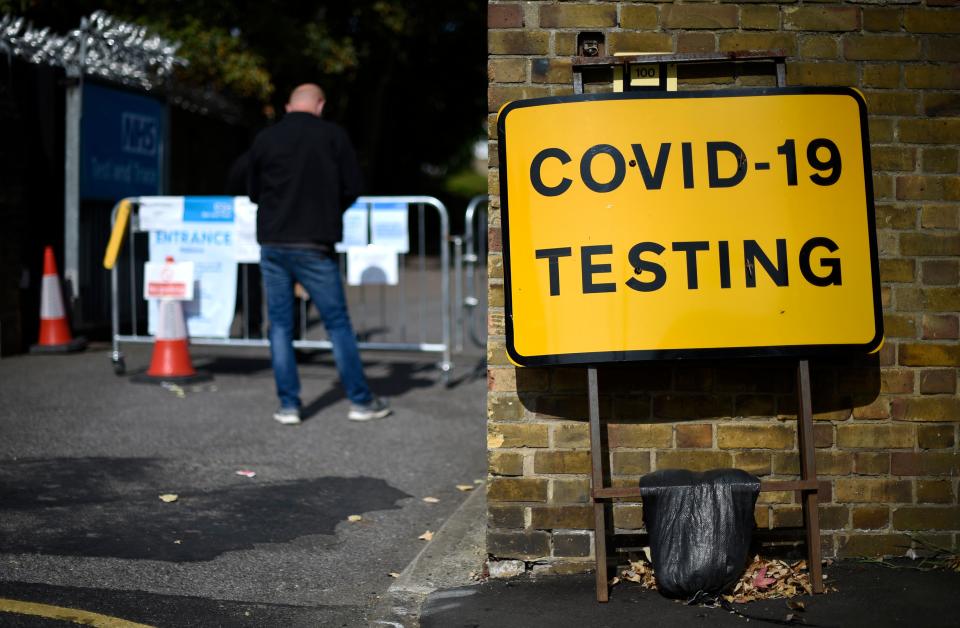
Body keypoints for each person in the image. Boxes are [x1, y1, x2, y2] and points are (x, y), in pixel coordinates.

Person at [248, 83, 391, 424]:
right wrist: (329, 211)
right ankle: (360, 401)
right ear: (321, 104)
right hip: (314, 242)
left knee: (280, 325)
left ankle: (288, 405)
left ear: (287, 106)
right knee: (337, 324)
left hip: (273, 242)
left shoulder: (265, 139)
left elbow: (253, 191)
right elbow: (354, 187)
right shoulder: (333, 136)